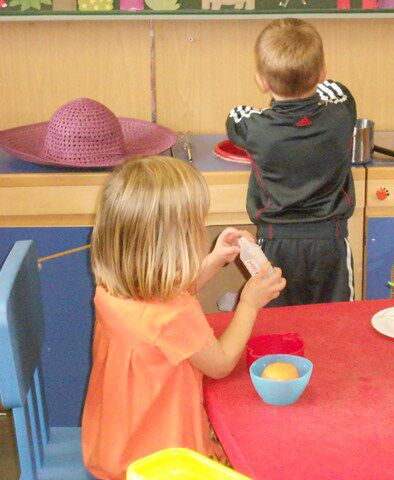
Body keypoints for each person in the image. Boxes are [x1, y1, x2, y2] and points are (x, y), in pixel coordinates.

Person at [81, 156, 286, 480]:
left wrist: (215, 259)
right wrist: (249, 303)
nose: (200, 231)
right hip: (165, 460)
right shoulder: (176, 313)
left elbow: (165, 293)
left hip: (117, 447)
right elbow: (221, 364)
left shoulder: (110, 290)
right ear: (171, 244)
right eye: (195, 226)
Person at [226, 18, 357, 307]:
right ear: (322, 72)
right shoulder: (341, 114)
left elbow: (236, 115)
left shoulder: (258, 129)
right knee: (335, 320)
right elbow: (339, 91)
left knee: (276, 321)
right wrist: (309, 78)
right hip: (330, 242)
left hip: (277, 242)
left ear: (262, 81)